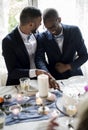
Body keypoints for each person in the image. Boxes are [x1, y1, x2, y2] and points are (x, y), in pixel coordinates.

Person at [2, 6, 59, 90]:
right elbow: (12, 72)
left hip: (38, 82)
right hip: (18, 85)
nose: (40, 24)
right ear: (31, 24)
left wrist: (47, 75)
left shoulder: (37, 35)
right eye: (39, 23)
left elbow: (40, 59)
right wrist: (35, 72)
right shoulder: (8, 41)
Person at [35, 8, 88, 80]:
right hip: (54, 77)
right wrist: (46, 74)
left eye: (53, 27)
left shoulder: (74, 31)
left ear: (59, 20)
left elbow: (84, 55)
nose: (50, 31)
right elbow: (40, 59)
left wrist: (67, 66)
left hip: (74, 75)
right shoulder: (42, 37)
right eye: (47, 28)